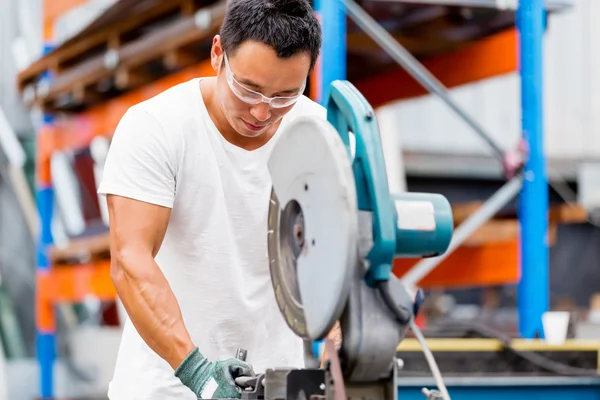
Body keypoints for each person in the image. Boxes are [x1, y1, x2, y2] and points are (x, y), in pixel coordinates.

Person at [97, 0, 325, 399]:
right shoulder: (156, 128)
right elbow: (131, 261)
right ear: (218, 54)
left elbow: (339, 261)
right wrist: (199, 375)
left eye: (285, 95)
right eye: (249, 88)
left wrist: (343, 353)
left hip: (278, 385)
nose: (261, 111)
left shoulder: (318, 136)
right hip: (164, 386)